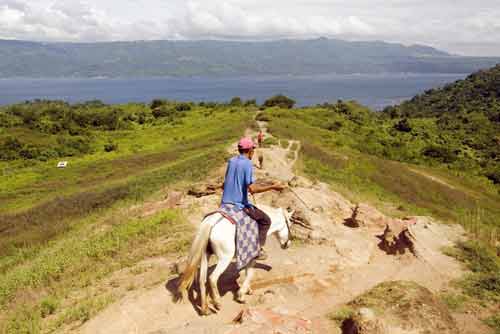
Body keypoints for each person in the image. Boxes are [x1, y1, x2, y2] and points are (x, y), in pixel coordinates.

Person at [221, 137, 285, 260]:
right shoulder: (247, 163)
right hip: (238, 205)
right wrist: (273, 187)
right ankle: (257, 250)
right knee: (265, 220)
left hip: (224, 203)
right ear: (250, 150)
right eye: (253, 149)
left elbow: (225, 184)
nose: (253, 152)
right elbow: (253, 189)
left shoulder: (231, 161)